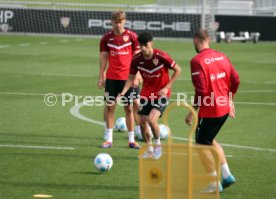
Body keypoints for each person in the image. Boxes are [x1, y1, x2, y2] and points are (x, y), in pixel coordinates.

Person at [185, 29, 240, 192]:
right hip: (224, 108)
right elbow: (236, 79)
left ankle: (213, 183)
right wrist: (230, 98)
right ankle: (227, 175)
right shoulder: (222, 55)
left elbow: (201, 91)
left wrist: (191, 111)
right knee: (209, 139)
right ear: (208, 39)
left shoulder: (197, 61)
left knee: (201, 145)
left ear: (196, 40)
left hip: (211, 110)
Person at [118, 31, 181, 159]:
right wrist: (123, 92)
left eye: (145, 45)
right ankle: (149, 149)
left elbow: (178, 70)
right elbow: (130, 78)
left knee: (152, 120)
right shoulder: (136, 60)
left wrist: (166, 87)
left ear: (151, 43)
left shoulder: (161, 56)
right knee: (142, 122)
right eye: (141, 45)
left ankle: (158, 146)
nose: (143, 48)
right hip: (146, 94)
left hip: (162, 94)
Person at [98, 10, 141, 149]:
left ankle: (131, 140)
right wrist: (101, 75)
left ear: (125, 21)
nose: (118, 25)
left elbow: (138, 58)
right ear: (111, 22)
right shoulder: (106, 38)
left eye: (121, 22)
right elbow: (104, 57)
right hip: (112, 78)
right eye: (116, 22)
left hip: (128, 79)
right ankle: (109, 139)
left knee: (129, 108)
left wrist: (138, 75)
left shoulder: (132, 37)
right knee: (110, 107)